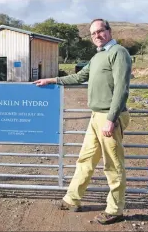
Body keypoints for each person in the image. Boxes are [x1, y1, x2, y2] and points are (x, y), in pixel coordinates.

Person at [34, 18, 131, 225]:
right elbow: (78, 77)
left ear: (109, 31)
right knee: (85, 160)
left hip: (109, 117)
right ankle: (72, 199)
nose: (97, 35)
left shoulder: (118, 53)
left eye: (100, 31)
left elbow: (121, 89)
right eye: (93, 33)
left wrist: (111, 119)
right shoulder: (97, 57)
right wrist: (52, 80)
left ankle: (115, 209)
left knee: (113, 165)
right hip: (96, 116)